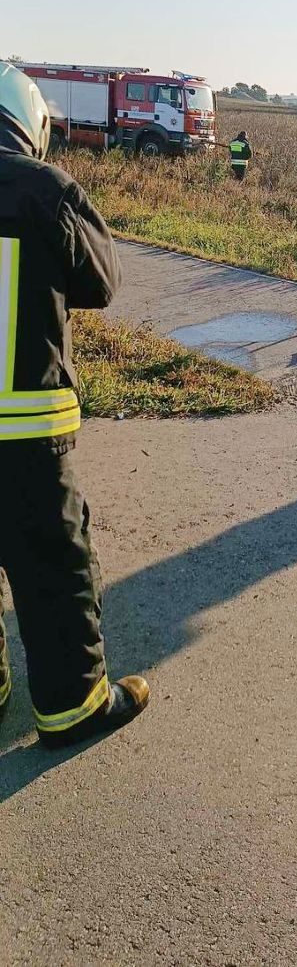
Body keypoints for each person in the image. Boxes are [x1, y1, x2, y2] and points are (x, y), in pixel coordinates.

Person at [0, 62, 149, 747]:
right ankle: (75, 706)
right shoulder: (43, 189)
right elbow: (101, 282)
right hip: (22, 436)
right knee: (53, 567)